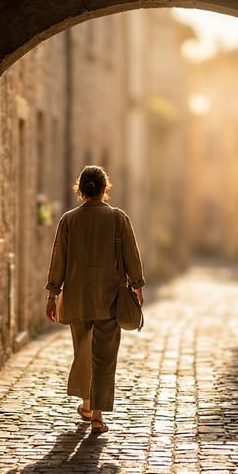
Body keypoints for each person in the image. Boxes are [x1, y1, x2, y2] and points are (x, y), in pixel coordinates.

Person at [45, 165, 144, 435]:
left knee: (83, 351)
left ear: (80, 190)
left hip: (76, 299)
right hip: (109, 298)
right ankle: (97, 417)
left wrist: (53, 294)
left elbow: (58, 260)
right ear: (104, 189)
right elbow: (131, 256)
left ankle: (87, 404)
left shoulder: (69, 220)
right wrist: (137, 287)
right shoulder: (118, 218)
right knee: (104, 357)